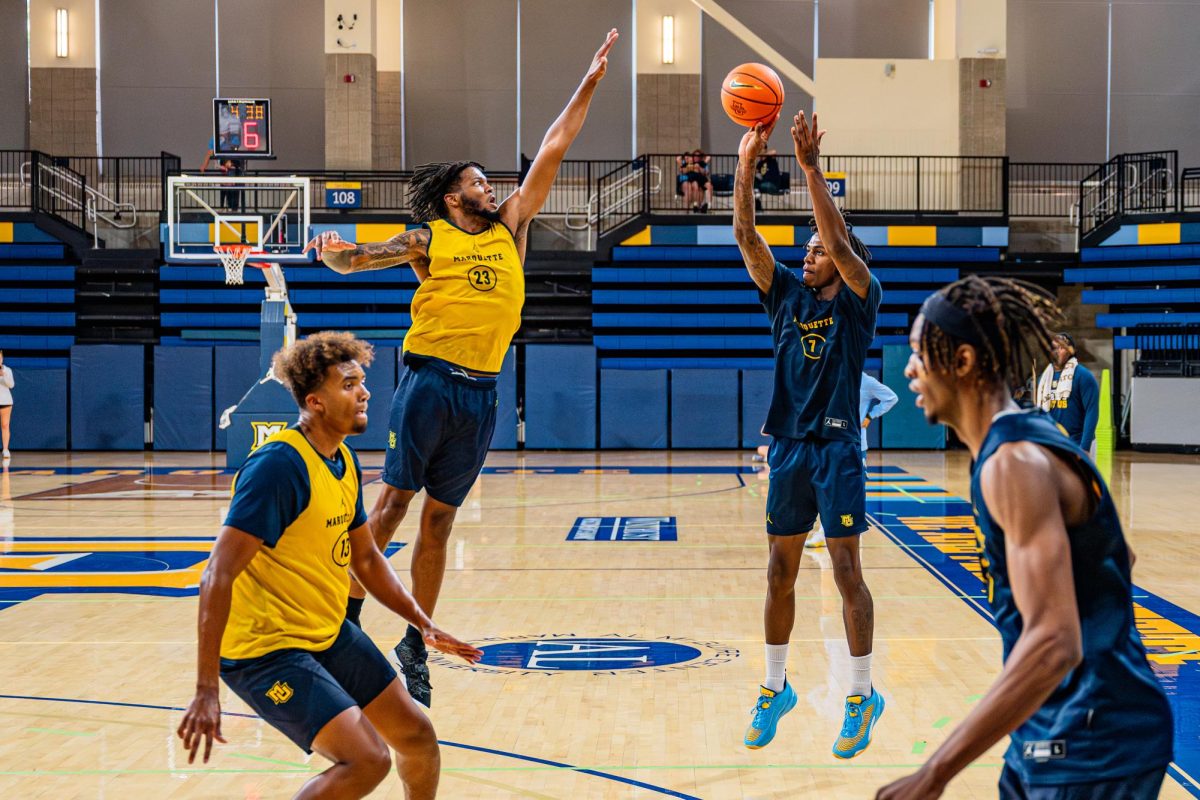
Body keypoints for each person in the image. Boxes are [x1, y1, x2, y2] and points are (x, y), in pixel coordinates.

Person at [303, 28, 619, 709]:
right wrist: (330, 248)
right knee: (389, 508)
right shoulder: (429, 237)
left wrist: (589, 79)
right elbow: (357, 259)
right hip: (430, 381)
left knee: (440, 524)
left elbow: (557, 146)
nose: (491, 185)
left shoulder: (511, 226)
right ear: (453, 196)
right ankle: (341, 628)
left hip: (483, 393)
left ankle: (414, 640)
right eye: (478, 180)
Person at [878, 276, 1173, 800]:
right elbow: (1119, 557)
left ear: (963, 361)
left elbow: (1054, 642)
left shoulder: (1011, 463)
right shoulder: (1030, 438)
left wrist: (935, 772)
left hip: (1089, 743)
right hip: (1058, 729)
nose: (908, 370)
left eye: (921, 355)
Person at [177, 331, 483, 800]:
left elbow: (365, 558)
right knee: (366, 760)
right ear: (315, 401)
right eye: (349, 384)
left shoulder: (342, 458)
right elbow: (217, 574)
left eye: (362, 381)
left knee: (418, 738)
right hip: (266, 649)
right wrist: (205, 688)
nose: (365, 392)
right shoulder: (279, 466)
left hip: (325, 630)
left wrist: (422, 623)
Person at [733, 110, 883, 758]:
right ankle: (774, 688)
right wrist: (744, 169)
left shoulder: (859, 296)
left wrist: (811, 170)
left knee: (847, 570)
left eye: (818, 247)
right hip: (790, 445)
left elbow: (842, 246)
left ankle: (860, 694)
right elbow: (746, 238)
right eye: (809, 248)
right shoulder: (787, 295)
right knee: (778, 572)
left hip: (838, 445)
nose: (809, 252)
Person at [1035, 332, 1099, 454]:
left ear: (1071, 351)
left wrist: (1085, 447)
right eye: (1053, 348)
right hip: (1053, 443)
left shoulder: (1083, 376)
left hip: (1078, 443)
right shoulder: (1043, 379)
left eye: (1061, 348)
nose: (1056, 351)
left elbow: (1092, 412)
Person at [0, 350, 11, 460]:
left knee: (5, 425)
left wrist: (4, 376)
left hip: (5, 401)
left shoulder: (7, 370)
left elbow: (11, 385)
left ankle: (5, 449)